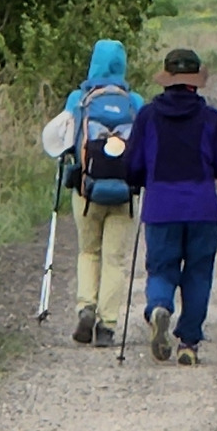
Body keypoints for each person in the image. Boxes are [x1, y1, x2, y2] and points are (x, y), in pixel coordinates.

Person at [122, 47, 217, 366]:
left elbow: (131, 167)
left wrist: (143, 178)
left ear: (167, 79)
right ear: (195, 81)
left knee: (161, 268)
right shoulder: (210, 118)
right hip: (202, 208)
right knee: (198, 274)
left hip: (161, 207)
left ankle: (159, 307)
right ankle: (188, 343)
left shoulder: (147, 116)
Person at [43, 40, 144, 348]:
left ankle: (86, 306)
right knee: (114, 259)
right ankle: (107, 326)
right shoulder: (134, 102)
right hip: (125, 193)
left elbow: (60, 142)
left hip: (87, 191)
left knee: (88, 252)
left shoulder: (79, 99)